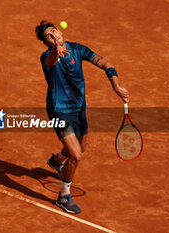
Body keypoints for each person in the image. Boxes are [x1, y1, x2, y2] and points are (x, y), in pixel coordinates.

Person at [35, 20, 129, 214]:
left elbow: (105, 63)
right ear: (46, 43)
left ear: (60, 31)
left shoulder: (78, 49)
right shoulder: (47, 57)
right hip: (59, 111)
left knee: (81, 148)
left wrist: (116, 85)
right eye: (48, 37)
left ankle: (57, 161)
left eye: (53, 32)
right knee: (76, 155)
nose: (53, 37)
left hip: (79, 110)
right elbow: (51, 62)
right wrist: (55, 49)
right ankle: (63, 196)